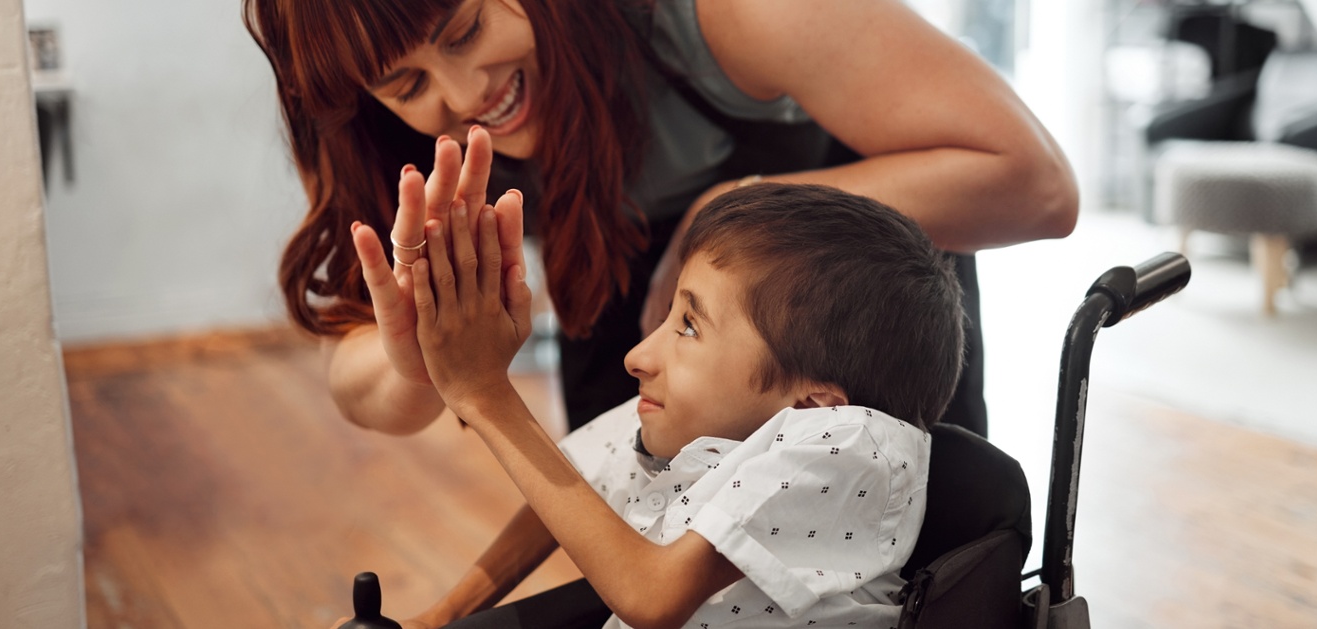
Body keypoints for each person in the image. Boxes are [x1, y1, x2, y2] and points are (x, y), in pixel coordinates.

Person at [243, 0, 1078, 440]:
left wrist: (730, 213)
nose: (464, 100)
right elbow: (361, 389)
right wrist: (416, 355)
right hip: (623, 287)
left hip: (847, 310)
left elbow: (1037, 185)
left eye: (465, 32)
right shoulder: (392, 140)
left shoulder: (732, 12)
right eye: (407, 85)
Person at [366, 181, 964, 628]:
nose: (637, 356)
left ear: (813, 405)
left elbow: (651, 597)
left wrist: (486, 394)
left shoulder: (847, 445)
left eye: (689, 327)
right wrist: (441, 616)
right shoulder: (695, 417)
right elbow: (568, 483)